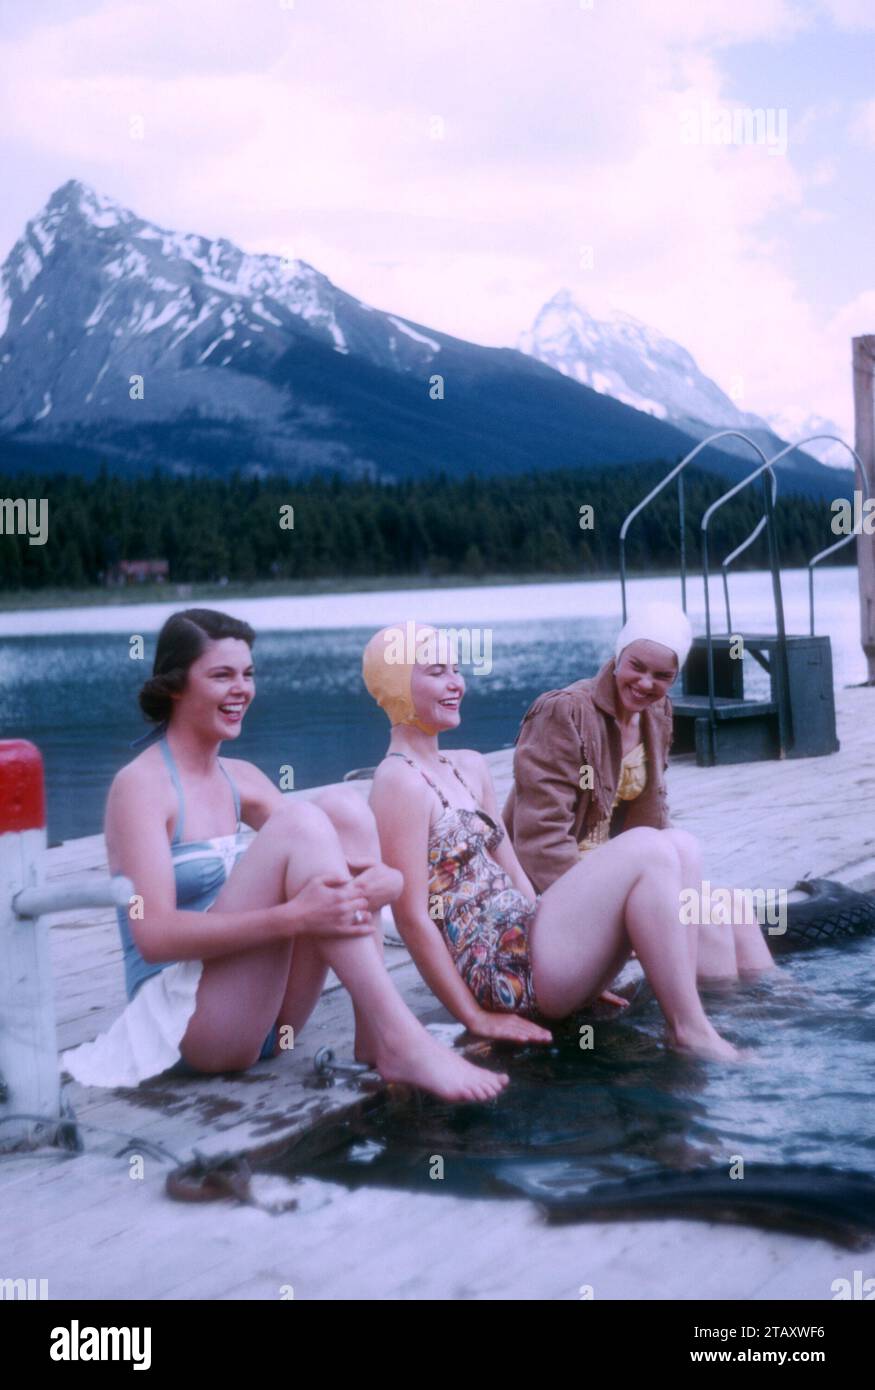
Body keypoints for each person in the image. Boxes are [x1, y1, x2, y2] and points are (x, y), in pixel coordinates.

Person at [61, 609, 508, 1103]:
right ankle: (403, 1037)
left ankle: (376, 1035)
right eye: (222, 675)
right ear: (175, 687)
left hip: (266, 1022)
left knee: (341, 810)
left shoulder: (242, 778)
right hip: (186, 1029)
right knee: (301, 822)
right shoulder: (140, 787)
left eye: (248, 675)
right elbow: (155, 937)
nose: (242, 690)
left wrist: (387, 882)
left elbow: (343, 857)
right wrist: (292, 918)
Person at [364, 621, 742, 1062]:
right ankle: (689, 1030)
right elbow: (411, 919)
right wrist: (474, 1018)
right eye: (435, 672)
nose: (455, 684)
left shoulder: (468, 765)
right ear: (395, 684)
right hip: (503, 974)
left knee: (680, 846)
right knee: (649, 848)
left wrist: (570, 937)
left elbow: (512, 869)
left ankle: (684, 1012)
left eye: (457, 670)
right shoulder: (398, 783)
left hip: (532, 940)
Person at [503, 600, 776, 980]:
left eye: (662, 675)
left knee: (734, 909)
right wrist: (620, 911)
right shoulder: (565, 712)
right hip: (556, 885)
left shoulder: (658, 712)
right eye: (637, 667)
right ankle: (708, 1019)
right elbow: (540, 840)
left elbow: (653, 819)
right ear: (618, 656)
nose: (646, 684)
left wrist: (665, 891)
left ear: (674, 676)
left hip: (621, 867)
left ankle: (779, 1009)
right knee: (704, 924)